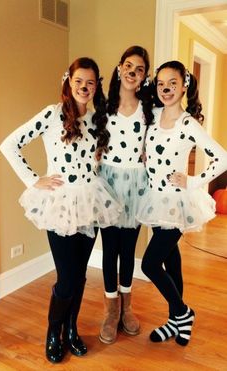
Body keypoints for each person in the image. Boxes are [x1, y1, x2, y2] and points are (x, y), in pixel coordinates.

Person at [0, 57, 122, 363]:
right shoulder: (52, 115)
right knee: (67, 278)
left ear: (96, 86)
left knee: (79, 276)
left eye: (90, 82)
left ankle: (71, 330)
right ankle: (53, 332)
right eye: (79, 80)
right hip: (60, 205)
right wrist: (32, 180)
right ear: (69, 81)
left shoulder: (97, 120)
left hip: (90, 201)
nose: (84, 87)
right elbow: (9, 145)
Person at [136, 60, 227, 346]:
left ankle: (182, 312)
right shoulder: (153, 115)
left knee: (150, 264)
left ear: (184, 86)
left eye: (172, 83)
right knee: (171, 260)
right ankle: (176, 321)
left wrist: (193, 180)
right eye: (161, 83)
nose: (166, 88)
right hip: (155, 198)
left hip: (178, 202)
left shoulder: (189, 123)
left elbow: (222, 157)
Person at [98, 46, 154, 344]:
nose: (133, 72)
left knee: (128, 251)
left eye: (140, 69)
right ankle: (110, 311)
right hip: (107, 182)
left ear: (145, 77)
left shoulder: (149, 110)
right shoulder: (103, 105)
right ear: (120, 68)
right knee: (110, 250)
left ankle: (126, 309)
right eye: (129, 66)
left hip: (136, 184)